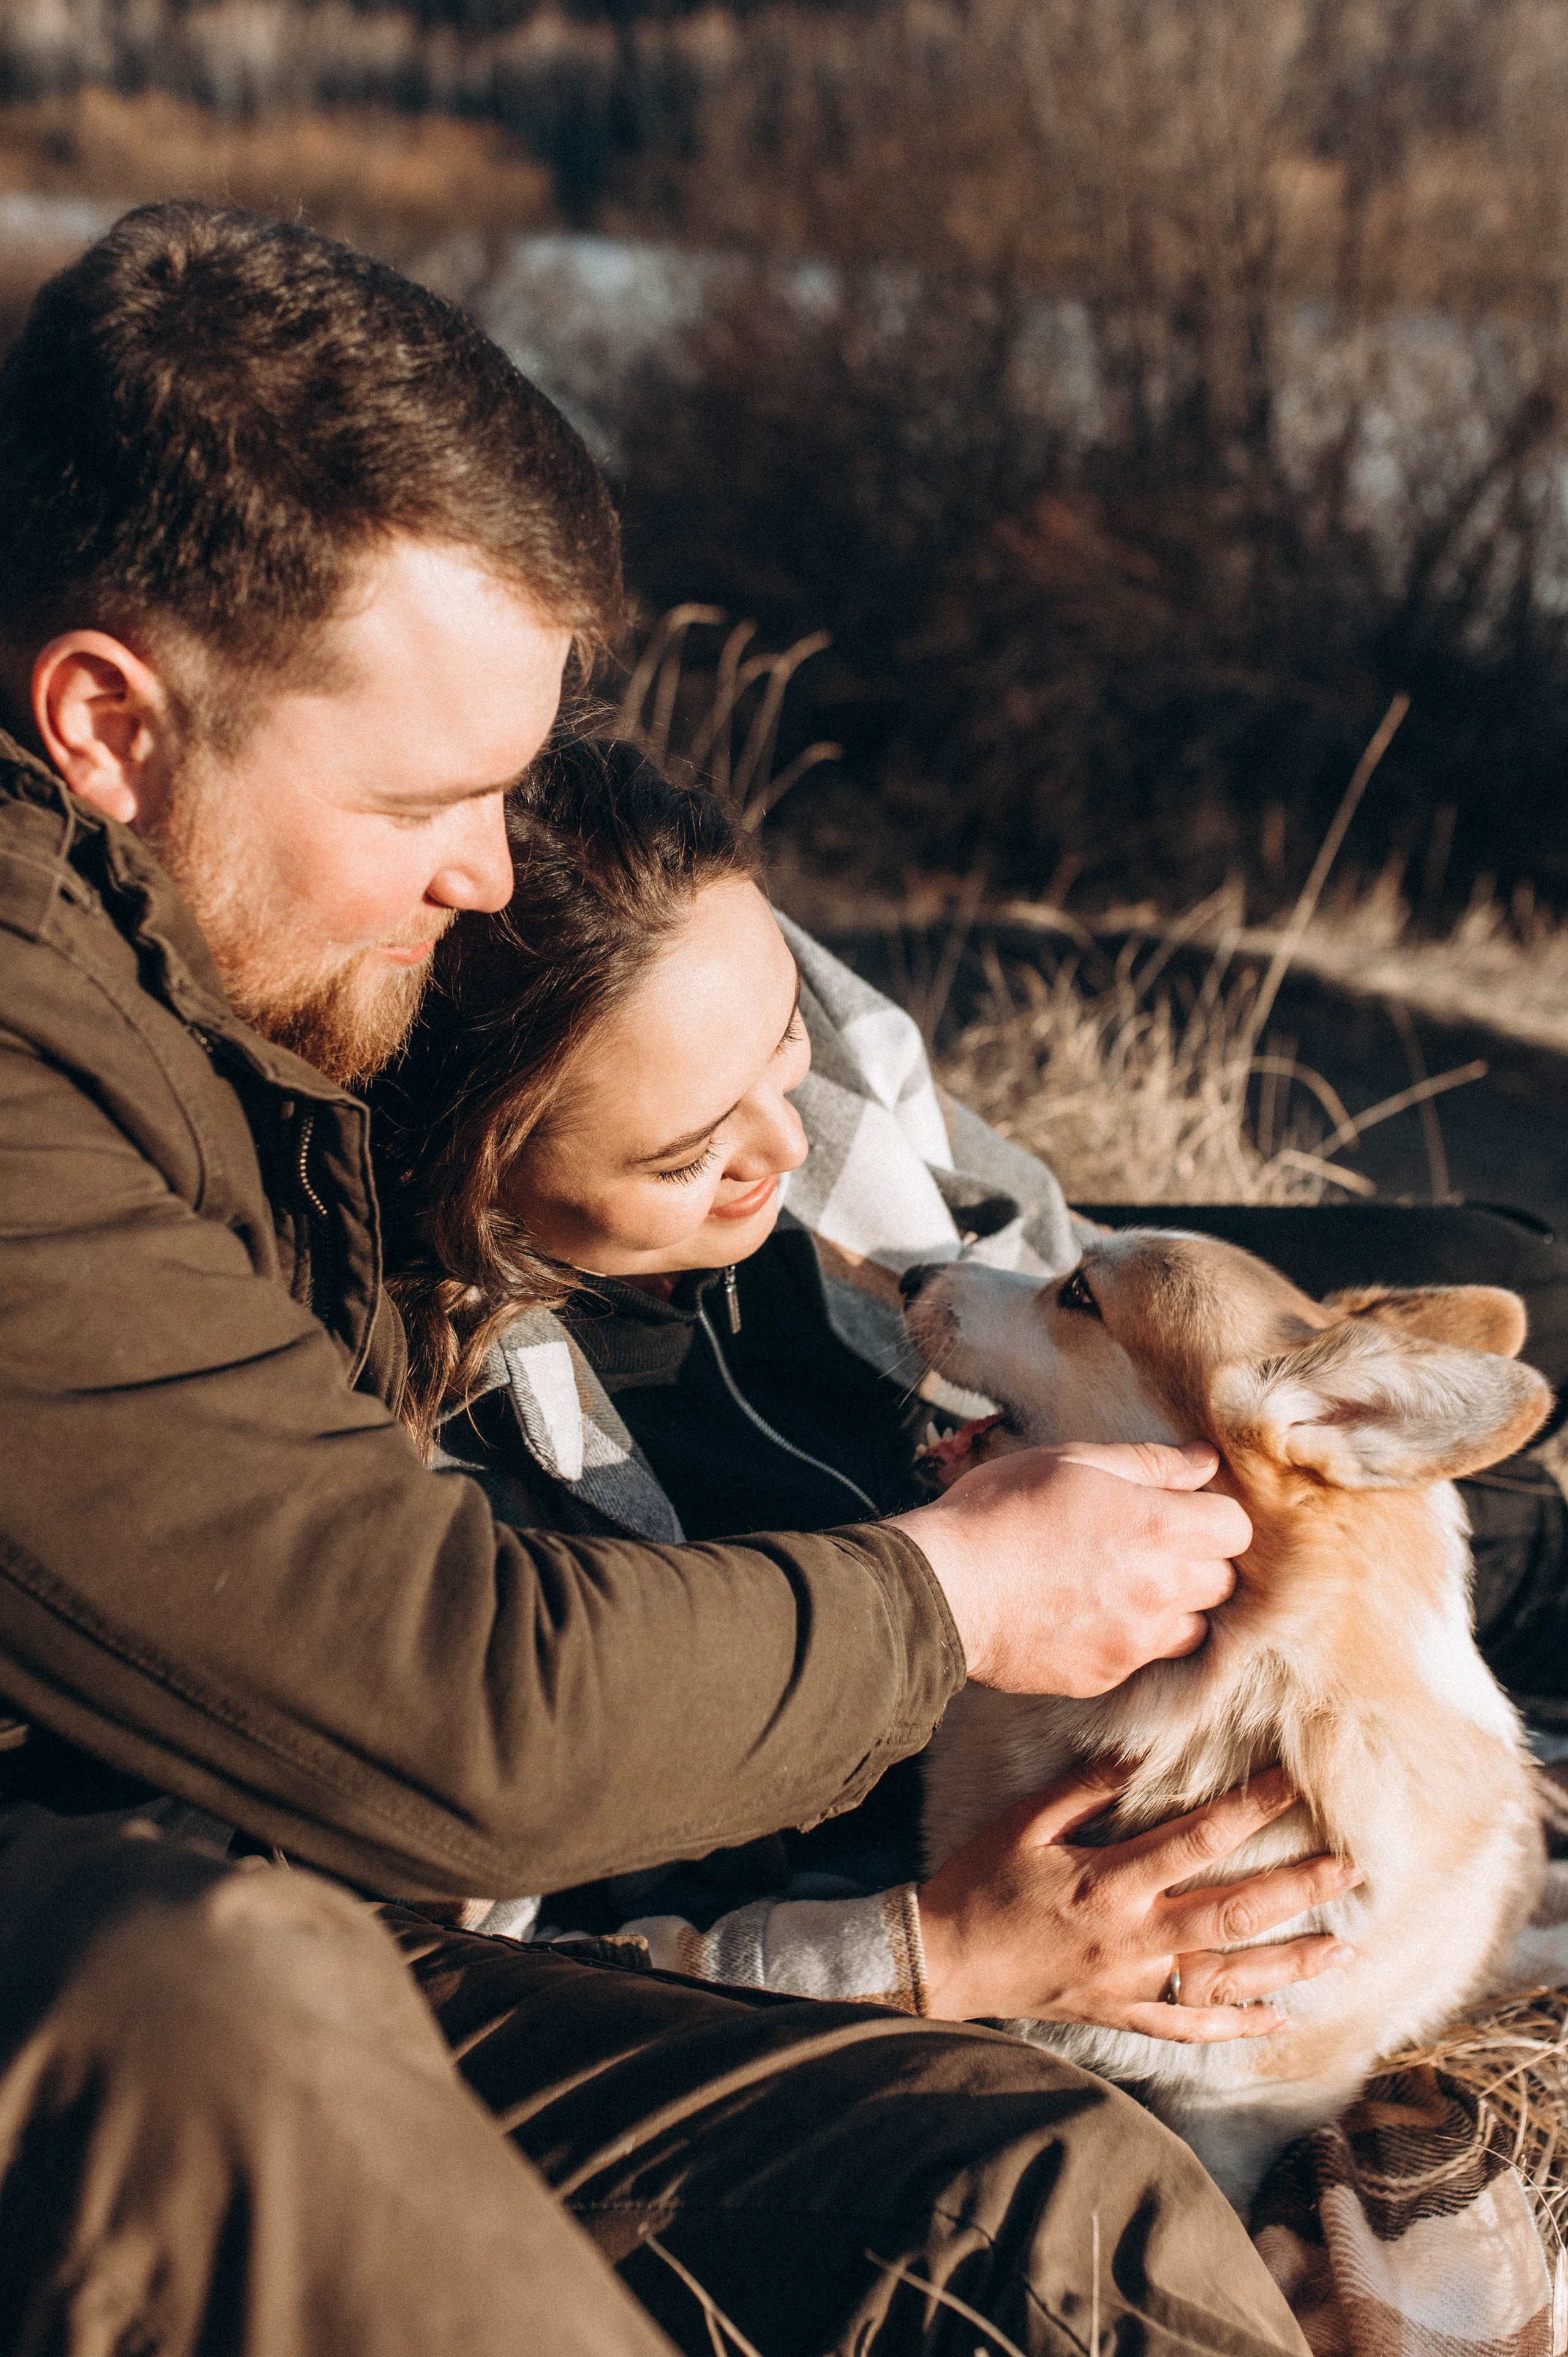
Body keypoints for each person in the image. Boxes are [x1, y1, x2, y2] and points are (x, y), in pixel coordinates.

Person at [0, 200, 1333, 2356]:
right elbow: (445, 1695)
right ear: (107, 719)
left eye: (514, 785)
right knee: (242, 2011)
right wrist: (961, 1597)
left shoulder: (223, 976)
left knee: (1041, 2203)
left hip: (315, 1905)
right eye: (430, 793)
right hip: (156, 1961)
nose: (491, 869)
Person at [371, 737, 1365, 2024]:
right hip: (859, 1780)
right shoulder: (426, 1442)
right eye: (685, 1155)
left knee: (1514, 1271)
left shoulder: (744, 1008)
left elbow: (1013, 1223)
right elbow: (479, 1948)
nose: (786, 1148)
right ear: (485, 1177)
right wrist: (930, 1952)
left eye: (780, 1044)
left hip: (1020, 1373)